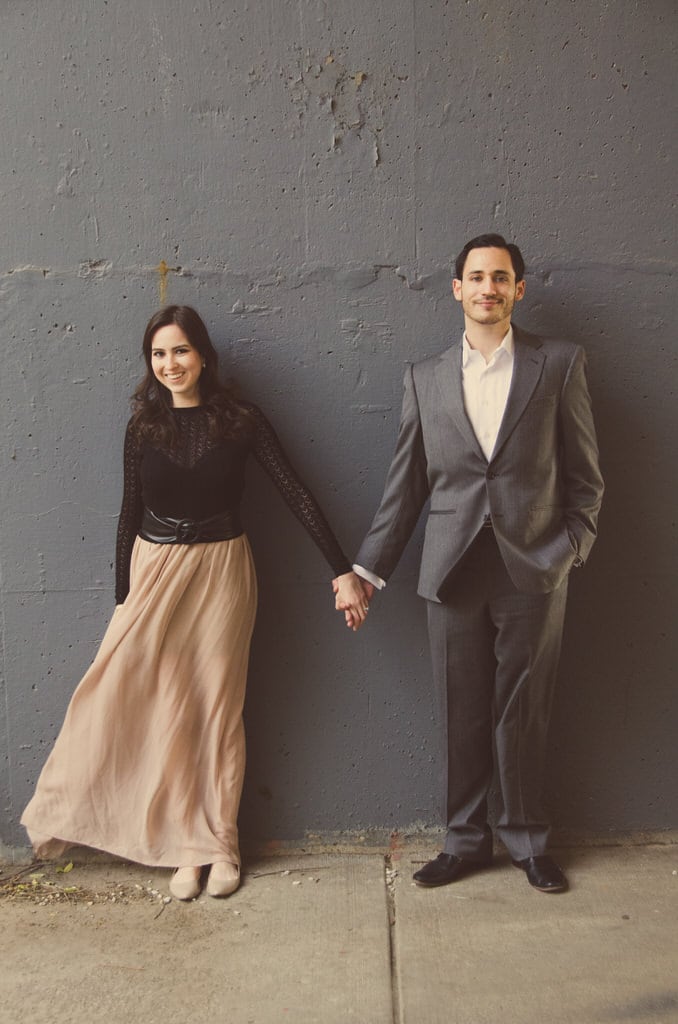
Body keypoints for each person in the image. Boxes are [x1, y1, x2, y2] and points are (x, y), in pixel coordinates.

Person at [22, 305, 368, 901]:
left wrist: (342, 570)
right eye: (158, 354)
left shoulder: (241, 421)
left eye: (180, 351)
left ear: (203, 355)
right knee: (152, 706)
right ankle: (185, 846)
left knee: (215, 707)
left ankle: (219, 843)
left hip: (221, 572)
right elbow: (128, 513)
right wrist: (122, 600)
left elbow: (295, 490)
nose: (170, 364)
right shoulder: (143, 427)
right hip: (154, 570)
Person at [335, 234, 604, 893]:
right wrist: (365, 574)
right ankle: (463, 842)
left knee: (525, 711)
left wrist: (567, 552)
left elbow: (586, 481)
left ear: (518, 289)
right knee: (461, 712)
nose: (489, 287)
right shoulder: (424, 378)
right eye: (477, 276)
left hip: (533, 570)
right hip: (451, 570)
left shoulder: (559, 364)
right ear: (456, 289)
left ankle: (528, 842)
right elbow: (405, 490)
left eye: (501, 277)